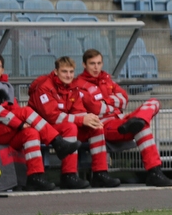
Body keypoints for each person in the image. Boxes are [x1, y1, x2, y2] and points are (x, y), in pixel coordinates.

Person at [0, 54, 79, 191]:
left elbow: (14, 109)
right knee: (26, 112)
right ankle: (57, 142)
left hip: (4, 129)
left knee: (31, 132)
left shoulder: (6, 87)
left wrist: (23, 124)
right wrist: (20, 124)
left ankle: (35, 177)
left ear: (3, 69)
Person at [75, 49, 172, 187]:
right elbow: (94, 108)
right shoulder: (79, 84)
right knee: (143, 128)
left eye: (99, 63)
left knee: (154, 102)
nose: (96, 67)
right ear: (84, 65)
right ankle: (154, 172)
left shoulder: (106, 79)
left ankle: (155, 171)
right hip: (105, 124)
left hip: (121, 120)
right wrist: (113, 104)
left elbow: (124, 98)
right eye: (92, 63)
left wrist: (105, 102)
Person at [28, 56, 120, 189]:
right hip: (43, 128)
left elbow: (78, 110)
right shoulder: (44, 87)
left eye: (71, 72)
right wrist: (81, 119)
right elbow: (52, 117)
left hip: (62, 126)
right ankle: (69, 175)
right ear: (56, 72)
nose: (68, 75)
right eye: (64, 71)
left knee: (96, 127)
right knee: (70, 128)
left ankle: (100, 173)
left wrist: (89, 118)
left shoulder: (73, 88)